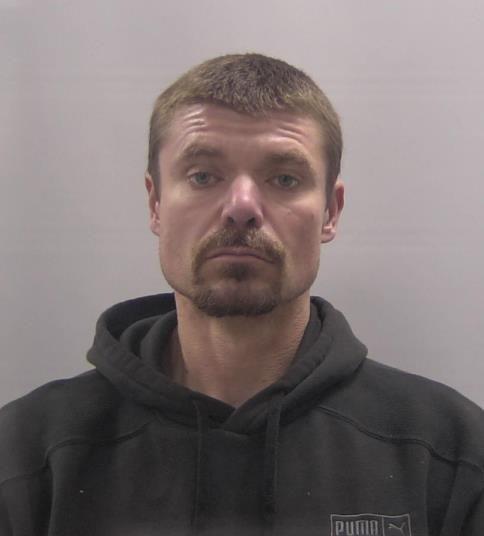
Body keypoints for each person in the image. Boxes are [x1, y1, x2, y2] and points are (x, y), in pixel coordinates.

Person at [0, 53, 483, 536]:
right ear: (155, 203)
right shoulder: (26, 453)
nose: (242, 207)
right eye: (203, 176)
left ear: (330, 212)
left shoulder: (450, 452)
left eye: (285, 179)